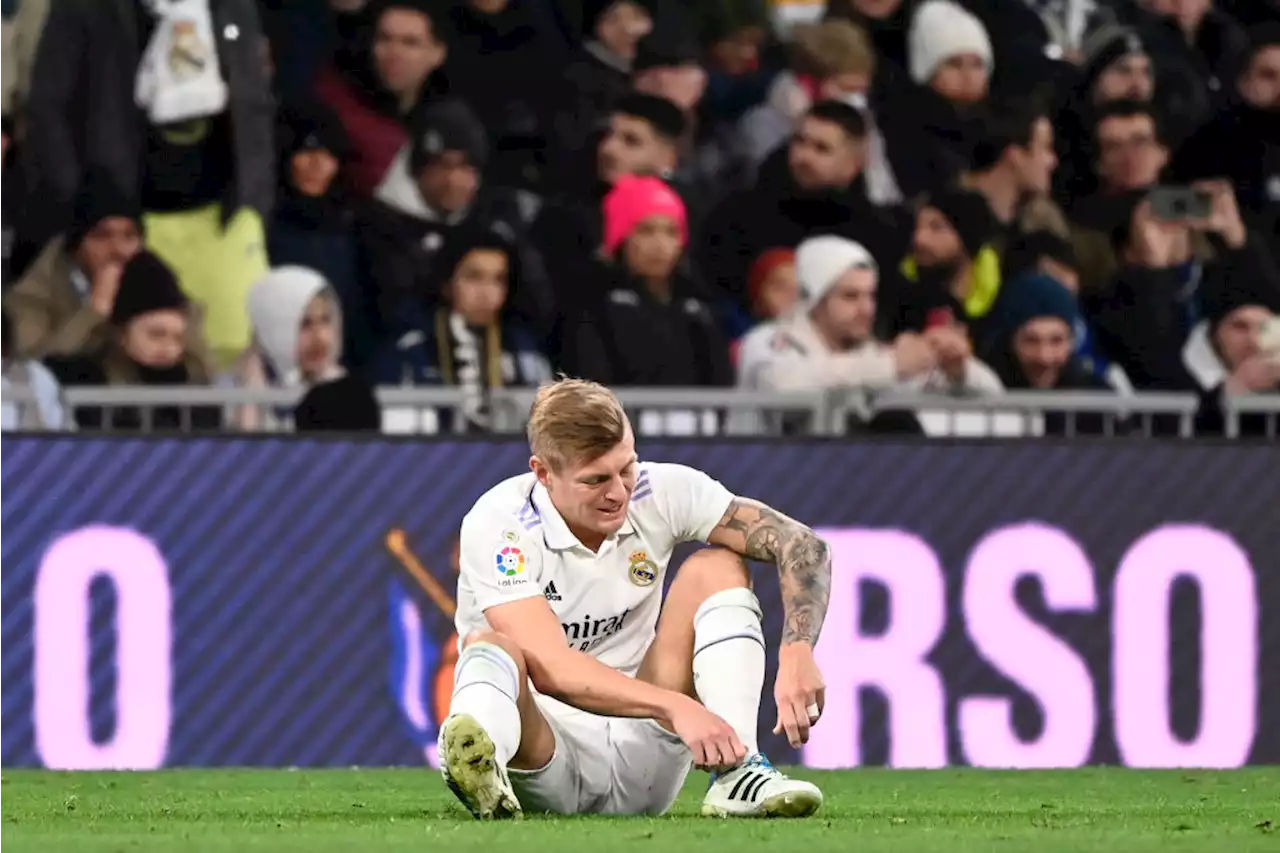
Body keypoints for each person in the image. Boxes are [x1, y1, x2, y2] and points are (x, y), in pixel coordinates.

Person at [438, 378, 829, 820]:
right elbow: (552, 668)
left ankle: (739, 772)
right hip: (547, 758)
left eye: (627, 467)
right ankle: (486, 771)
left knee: (716, 566)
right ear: (544, 473)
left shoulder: (661, 491)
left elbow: (801, 545)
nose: (619, 492)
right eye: (596, 479)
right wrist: (676, 706)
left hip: (646, 759)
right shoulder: (499, 524)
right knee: (489, 646)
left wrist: (798, 650)